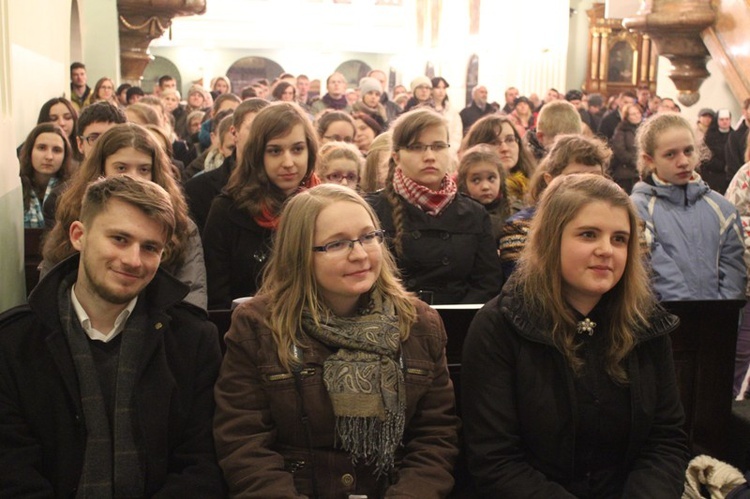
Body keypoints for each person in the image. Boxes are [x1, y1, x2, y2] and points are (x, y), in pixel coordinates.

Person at [213, 183, 459, 497]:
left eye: (368, 237)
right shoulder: (258, 326)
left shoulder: (418, 323)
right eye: (337, 244)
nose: (360, 254)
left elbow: (434, 439)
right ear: (300, 253)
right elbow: (244, 444)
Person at [462, 173, 691, 497]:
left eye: (619, 239)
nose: (606, 250)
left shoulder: (646, 322)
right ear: (551, 239)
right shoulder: (499, 326)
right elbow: (495, 460)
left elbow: (665, 440)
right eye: (588, 235)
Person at [0, 175, 224, 496]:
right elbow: (11, 468)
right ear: (79, 235)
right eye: (119, 239)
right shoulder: (15, 343)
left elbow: (201, 463)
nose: (133, 261)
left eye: (150, 248)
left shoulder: (193, 339)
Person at [42, 123, 208, 311]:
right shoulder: (73, 216)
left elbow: (192, 296)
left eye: (144, 169)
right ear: (101, 170)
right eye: (121, 168)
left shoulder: (181, 226)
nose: (133, 178)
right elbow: (49, 292)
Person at [367, 108, 502, 304]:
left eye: (438, 146)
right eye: (416, 147)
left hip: (458, 322)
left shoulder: (474, 213)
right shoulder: (372, 210)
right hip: (394, 321)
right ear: (396, 156)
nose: (429, 156)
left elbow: (487, 282)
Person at [202, 102, 320, 309]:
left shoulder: (325, 205)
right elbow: (216, 297)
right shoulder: (228, 209)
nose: (288, 162)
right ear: (257, 154)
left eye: (297, 149)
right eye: (275, 151)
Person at [631, 112, 746, 301]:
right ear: (650, 160)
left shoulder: (723, 209)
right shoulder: (638, 208)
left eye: (688, 151)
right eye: (670, 154)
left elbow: (733, 273)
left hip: (716, 323)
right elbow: (654, 269)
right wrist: (689, 317)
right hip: (662, 322)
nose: (683, 161)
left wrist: (722, 315)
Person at [499, 134, 610, 279]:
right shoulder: (521, 228)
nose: (587, 187)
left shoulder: (618, 224)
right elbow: (522, 286)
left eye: (595, 178)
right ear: (549, 180)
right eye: (575, 178)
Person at [184, 98, 270, 234]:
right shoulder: (198, 189)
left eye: (268, 129)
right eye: (253, 127)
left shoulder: (285, 186)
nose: (261, 136)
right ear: (235, 133)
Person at [462, 114, 536, 214]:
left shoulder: (535, 185)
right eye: (494, 142)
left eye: (510, 140)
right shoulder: (467, 199)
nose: (505, 148)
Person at [19, 123, 71, 228]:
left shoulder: (71, 189)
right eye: (42, 148)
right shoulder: (16, 187)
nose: (49, 157)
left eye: (57, 150)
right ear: (30, 151)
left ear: (65, 156)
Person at [456, 144, 509, 243]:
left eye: (491, 178)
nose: (485, 186)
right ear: (465, 183)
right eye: (476, 180)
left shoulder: (514, 214)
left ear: (500, 178)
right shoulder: (458, 219)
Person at [610, 102, 643, 194]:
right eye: (633, 114)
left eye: (638, 113)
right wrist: (635, 162)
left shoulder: (644, 128)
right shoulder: (621, 130)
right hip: (627, 173)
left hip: (642, 172)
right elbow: (619, 150)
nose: (637, 116)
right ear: (627, 116)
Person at [701, 108, 732, 194]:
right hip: (713, 175)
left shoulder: (734, 136)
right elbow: (705, 157)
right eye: (722, 119)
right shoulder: (709, 136)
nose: (725, 122)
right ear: (717, 120)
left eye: (727, 119)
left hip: (729, 175)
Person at [431, 76, 463, 153]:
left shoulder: (452, 111)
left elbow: (457, 133)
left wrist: (450, 149)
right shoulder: (426, 109)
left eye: (444, 88)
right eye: (438, 87)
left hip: (449, 151)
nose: (441, 91)